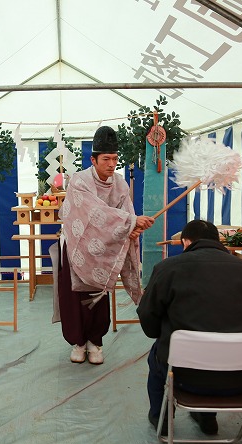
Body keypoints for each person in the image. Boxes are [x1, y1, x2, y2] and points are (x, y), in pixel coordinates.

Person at [138, 220, 242, 435]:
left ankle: (161, 417)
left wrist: (164, 334)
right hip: (241, 376)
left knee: (157, 353)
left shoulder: (168, 268)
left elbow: (148, 318)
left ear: (185, 242)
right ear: (218, 241)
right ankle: (206, 417)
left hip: (184, 374)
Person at [54, 125, 154, 365]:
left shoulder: (120, 184)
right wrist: (129, 222)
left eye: (115, 159)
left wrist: (133, 228)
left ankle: (95, 342)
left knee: (99, 294)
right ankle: (77, 342)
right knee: (74, 296)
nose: (111, 164)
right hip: (76, 246)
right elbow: (93, 212)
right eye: (106, 159)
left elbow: (125, 212)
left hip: (104, 248)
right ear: (93, 159)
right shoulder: (79, 181)